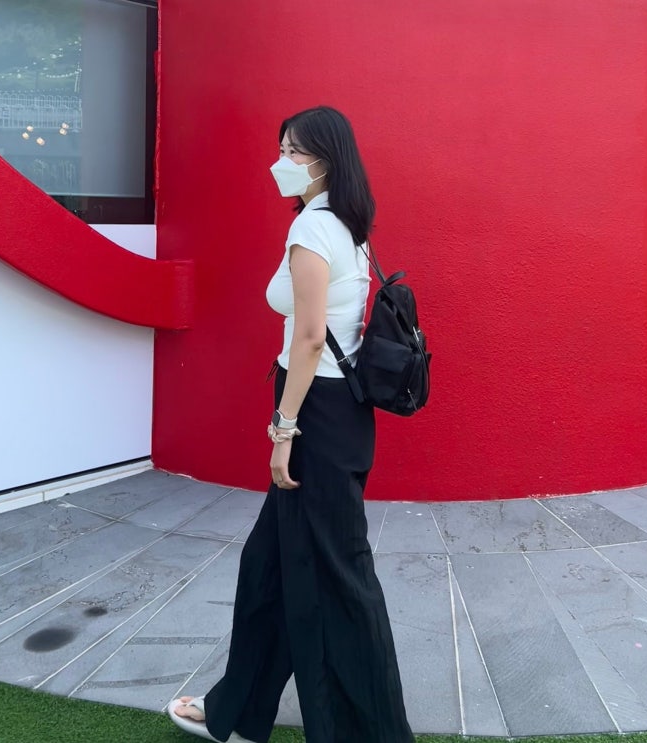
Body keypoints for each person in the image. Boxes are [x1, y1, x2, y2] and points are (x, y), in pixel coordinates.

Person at [168, 106, 414, 743]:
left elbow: (308, 338)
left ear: (324, 161)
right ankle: (238, 710)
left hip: (316, 418)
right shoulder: (349, 224)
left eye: (292, 151)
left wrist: (284, 431)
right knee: (269, 569)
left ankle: (371, 733)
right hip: (339, 413)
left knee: (339, 578)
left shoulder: (313, 227)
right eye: (281, 149)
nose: (280, 162)